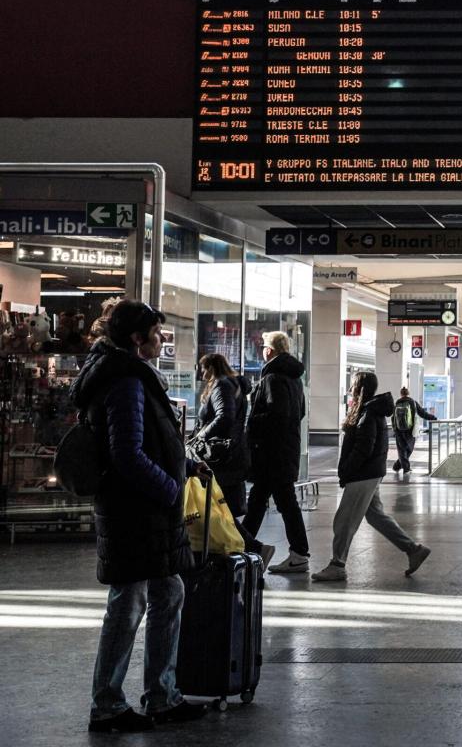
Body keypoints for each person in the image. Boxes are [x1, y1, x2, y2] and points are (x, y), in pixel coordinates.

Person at [70, 300, 209, 732]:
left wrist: (185, 465)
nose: (161, 339)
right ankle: (108, 705)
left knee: (168, 594)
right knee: (128, 604)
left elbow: (153, 439)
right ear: (137, 338)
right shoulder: (125, 380)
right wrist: (171, 489)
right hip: (135, 511)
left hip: (147, 511)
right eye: (157, 333)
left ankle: (162, 696)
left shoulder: (129, 374)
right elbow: (127, 454)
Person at [313, 372, 431, 581]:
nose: (350, 388)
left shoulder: (368, 413)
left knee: (344, 520)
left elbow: (363, 448)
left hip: (363, 474)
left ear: (359, 387)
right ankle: (413, 550)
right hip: (370, 472)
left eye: (353, 385)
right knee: (376, 516)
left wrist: (347, 470)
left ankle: (337, 564)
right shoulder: (370, 410)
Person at [192, 353, 271, 564]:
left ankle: (252, 547)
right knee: (221, 507)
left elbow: (224, 416)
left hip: (222, 457)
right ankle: (246, 547)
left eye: (203, 368)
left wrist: (201, 435)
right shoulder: (232, 385)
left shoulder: (221, 385)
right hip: (232, 454)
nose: (201, 373)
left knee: (217, 507)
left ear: (211, 367)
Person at [242, 331, 310, 574]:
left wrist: (252, 424)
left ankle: (298, 553)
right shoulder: (294, 378)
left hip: (272, 452)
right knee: (263, 500)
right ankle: (246, 547)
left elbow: (275, 415)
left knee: (277, 501)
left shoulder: (272, 377)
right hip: (285, 449)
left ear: (269, 351)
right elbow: (298, 413)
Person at [392, 386, 437, 477]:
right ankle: (406, 468)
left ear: (401, 394)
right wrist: (433, 417)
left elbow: (393, 418)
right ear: (408, 393)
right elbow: (423, 414)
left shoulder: (397, 403)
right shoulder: (413, 402)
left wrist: (394, 429)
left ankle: (397, 466)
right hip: (410, 430)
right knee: (409, 449)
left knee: (401, 450)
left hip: (399, 430)